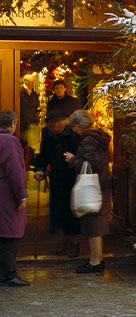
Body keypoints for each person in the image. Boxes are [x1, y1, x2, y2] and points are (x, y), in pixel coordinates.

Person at [63, 110, 112, 274]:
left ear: (78, 125)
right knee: (96, 223)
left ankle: (95, 262)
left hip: (94, 187)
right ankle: (99, 258)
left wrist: (73, 160)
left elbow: (94, 163)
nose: (73, 130)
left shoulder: (88, 140)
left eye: (74, 127)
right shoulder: (97, 136)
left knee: (93, 225)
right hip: (101, 185)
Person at [33, 110, 81, 257]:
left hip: (72, 178)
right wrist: (40, 169)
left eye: (57, 122)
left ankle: (74, 243)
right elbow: (43, 156)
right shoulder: (48, 137)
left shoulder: (74, 135)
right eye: (51, 123)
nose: (54, 125)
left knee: (72, 212)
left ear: (65, 121)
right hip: (57, 179)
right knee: (59, 211)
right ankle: (66, 243)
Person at [0, 110, 29, 287]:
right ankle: (8, 274)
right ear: (12, 124)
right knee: (9, 231)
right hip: (6, 194)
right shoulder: (9, 141)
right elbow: (15, 171)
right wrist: (22, 195)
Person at [19, 75, 40, 155]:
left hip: (33, 122)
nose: (33, 84)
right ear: (25, 82)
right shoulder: (20, 92)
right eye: (32, 82)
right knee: (27, 146)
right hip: (25, 122)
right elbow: (26, 107)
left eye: (34, 82)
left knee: (34, 146)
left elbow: (36, 106)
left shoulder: (33, 93)